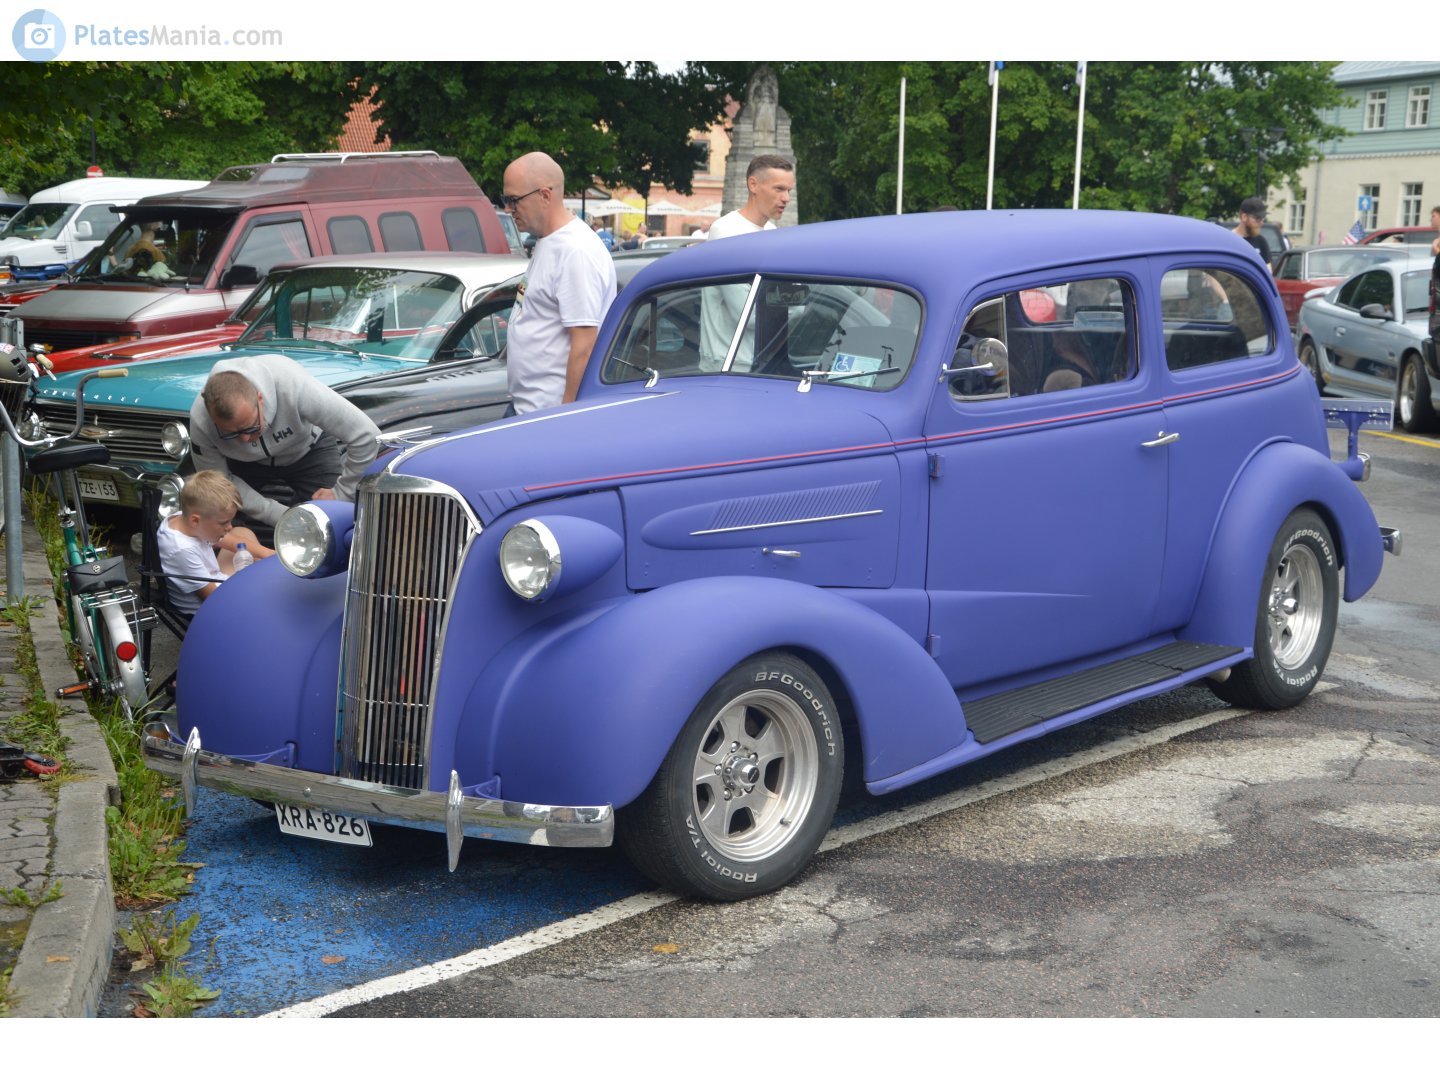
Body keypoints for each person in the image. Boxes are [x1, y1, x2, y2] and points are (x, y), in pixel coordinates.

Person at [189, 354, 381, 527]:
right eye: (231, 434)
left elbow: (367, 436)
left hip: (308, 451)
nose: (245, 439)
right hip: (242, 465)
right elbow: (218, 485)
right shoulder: (200, 420)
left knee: (336, 519)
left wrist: (342, 493)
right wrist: (279, 515)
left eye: (251, 427)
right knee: (213, 515)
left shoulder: (293, 386)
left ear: (260, 399)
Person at [502, 151, 618, 414]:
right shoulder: (550, 241)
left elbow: (584, 344)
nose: (508, 209)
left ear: (545, 195)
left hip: (547, 413)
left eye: (513, 200)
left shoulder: (574, 250)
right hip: (532, 407)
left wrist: (565, 417)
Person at [697, 155, 796, 368]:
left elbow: (779, 303)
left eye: (789, 190)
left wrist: (789, 303)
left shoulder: (770, 232)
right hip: (726, 365)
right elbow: (747, 315)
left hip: (759, 361)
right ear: (753, 185)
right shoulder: (726, 232)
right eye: (779, 189)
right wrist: (796, 304)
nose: (786, 198)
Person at [156, 470, 274, 615]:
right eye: (224, 522)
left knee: (242, 533)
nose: (229, 526)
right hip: (211, 607)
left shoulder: (184, 519)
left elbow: (232, 541)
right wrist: (252, 586)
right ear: (195, 520)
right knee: (270, 595)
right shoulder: (181, 550)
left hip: (215, 579)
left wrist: (272, 556)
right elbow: (213, 600)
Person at [1233, 197, 1271, 265]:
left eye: (1263, 219)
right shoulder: (1230, 239)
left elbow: (1267, 271)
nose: (1261, 223)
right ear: (1244, 217)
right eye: (1258, 219)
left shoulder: (1261, 241)